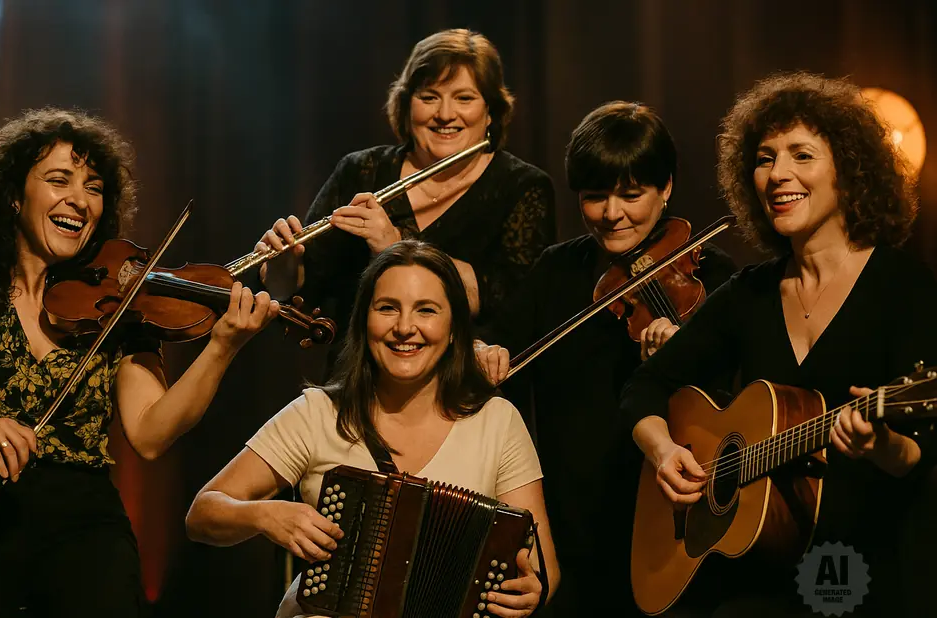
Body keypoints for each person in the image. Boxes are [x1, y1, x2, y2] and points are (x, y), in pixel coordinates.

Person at [0, 107, 277, 617]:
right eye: (59, 180)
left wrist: (221, 348)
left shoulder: (117, 303)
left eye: (94, 187)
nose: (79, 199)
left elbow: (150, 433)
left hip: (81, 520)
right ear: (13, 195)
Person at [622, 72, 937, 616]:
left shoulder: (902, 289)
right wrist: (665, 450)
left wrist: (876, 445)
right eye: (765, 158)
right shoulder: (750, 293)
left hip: (867, 570)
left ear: (850, 171)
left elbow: (918, 455)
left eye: (801, 155)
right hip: (759, 575)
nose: (777, 174)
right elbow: (645, 387)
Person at [186, 240, 560, 618]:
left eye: (426, 311)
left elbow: (543, 570)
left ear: (453, 330)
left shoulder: (496, 421)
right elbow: (202, 514)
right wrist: (265, 516)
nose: (404, 327)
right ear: (365, 321)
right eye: (387, 308)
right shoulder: (318, 413)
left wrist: (531, 591)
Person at [474, 101, 737, 616]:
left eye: (631, 194)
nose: (612, 213)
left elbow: (736, 392)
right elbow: (494, 339)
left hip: (674, 519)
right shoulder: (557, 270)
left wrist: (682, 355)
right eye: (595, 197)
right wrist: (486, 351)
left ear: (666, 188)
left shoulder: (715, 274)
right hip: (573, 524)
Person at [256, 28, 555, 376]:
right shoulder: (361, 171)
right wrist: (284, 267)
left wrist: (395, 245)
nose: (445, 114)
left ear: (491, 111)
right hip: (359, 378)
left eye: (464, 98)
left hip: (463, 381)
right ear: (406, 104)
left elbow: (510, 303)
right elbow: (303, 294)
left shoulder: (522, 186)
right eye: (429, 97)